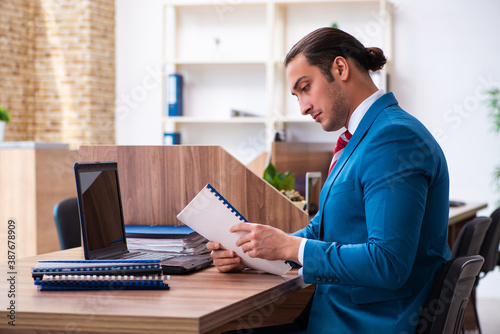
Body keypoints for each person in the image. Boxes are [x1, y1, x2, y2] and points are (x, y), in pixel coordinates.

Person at [207, 27, 451, 334]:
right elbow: (325, 228)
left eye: (305, 88)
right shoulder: (363, 138)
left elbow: (388, 263)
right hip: (340, 315)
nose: (303, 107)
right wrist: (255, 252)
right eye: (297, 96)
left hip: (366, 324)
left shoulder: (393, 138)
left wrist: (290, 248)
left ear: (340, 67)